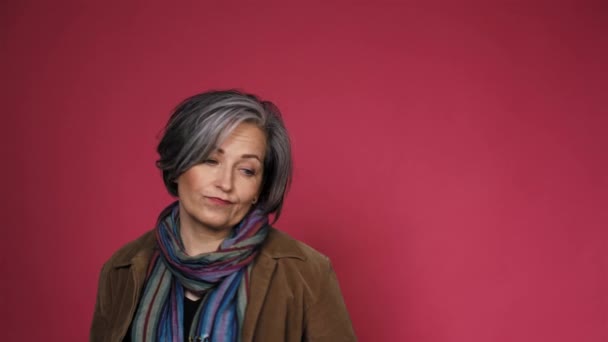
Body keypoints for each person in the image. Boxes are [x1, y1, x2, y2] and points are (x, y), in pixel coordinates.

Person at [90, 90, 357, 342]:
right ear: (177, 167)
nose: (225, 183)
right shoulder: (123, 268)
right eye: (210, 160)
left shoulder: (305, 272)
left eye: (247, 170)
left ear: (259, 189)